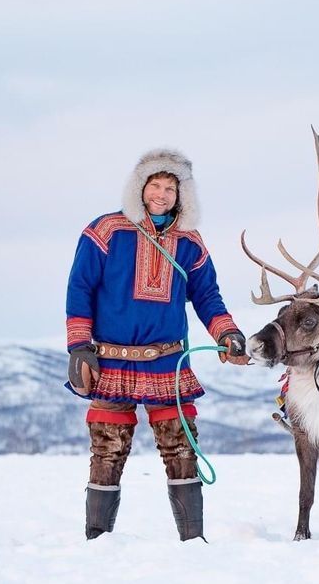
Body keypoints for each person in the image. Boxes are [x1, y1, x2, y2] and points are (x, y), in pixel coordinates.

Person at [66, 149, 248, 541]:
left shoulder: (190, 243)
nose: (161, 194)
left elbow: (207, 297)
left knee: (181, 448)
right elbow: (80, 287)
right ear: (141, 188)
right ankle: (97, 541)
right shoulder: (106, 231)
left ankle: (192, 541)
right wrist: (79, 346)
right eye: (155, 185)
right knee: (107, 451)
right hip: (111, 360)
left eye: (170, 187)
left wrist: (227, 334)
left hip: (168, 360)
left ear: (182, 195)